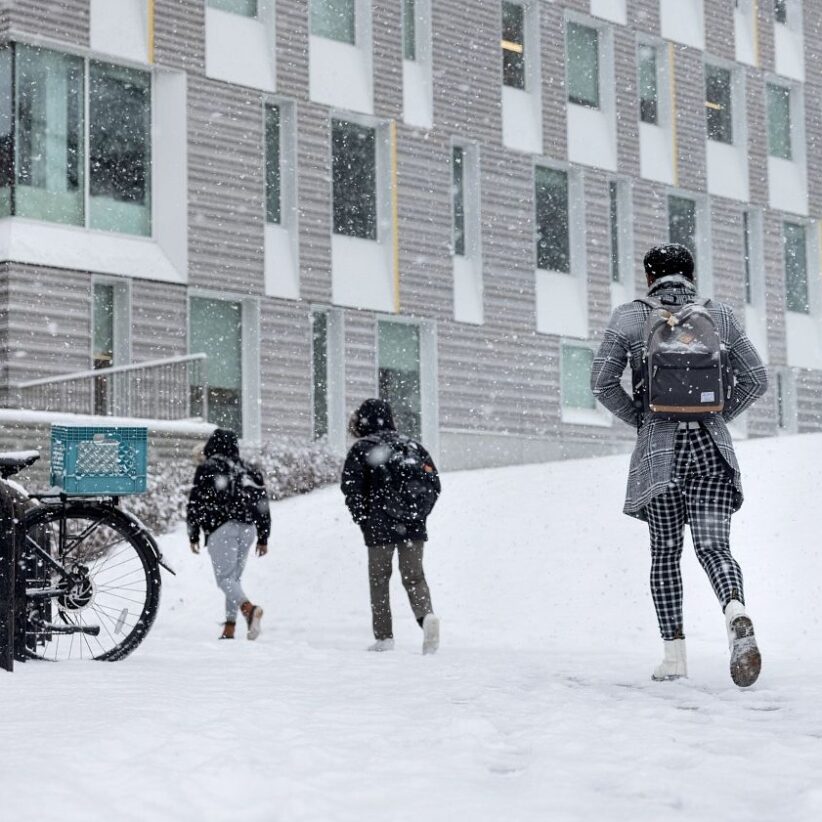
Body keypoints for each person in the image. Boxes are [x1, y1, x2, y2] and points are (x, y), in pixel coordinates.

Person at [590, 243, 768, 687]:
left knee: (665, 554)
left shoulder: (630, 317)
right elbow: (757, 379)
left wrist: (644, 419)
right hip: (710, 449)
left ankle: (674, 658)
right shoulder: (720, 315)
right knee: (715, 548)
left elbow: (601, 382)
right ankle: (735, 611)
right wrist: (716, 415)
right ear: (692, 275)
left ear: (650, 278)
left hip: (660, 455)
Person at [341, 398, 442, 654]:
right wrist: (418, 515)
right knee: (414, 577)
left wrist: (363, 519)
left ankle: (384, 637)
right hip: (413, 524)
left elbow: (351, 489)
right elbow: (434, 484)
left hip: (378, 524)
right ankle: (426, 618)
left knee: (379, 579)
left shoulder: (363, 448)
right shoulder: (413, 446)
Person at [187, 428, 270, 640]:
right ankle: (230, 627)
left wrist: (194, 533)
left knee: (225, 580)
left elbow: (195, 502)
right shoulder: (248, 469)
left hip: (221, 528)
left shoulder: (208, 467)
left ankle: (249, 610)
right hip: (248, 528)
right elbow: (262, 503)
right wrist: (263, 536)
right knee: (233, 579)